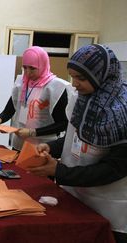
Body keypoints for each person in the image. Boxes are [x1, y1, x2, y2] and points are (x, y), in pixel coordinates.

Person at [29, 44, 127, 243]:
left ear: (102, 75)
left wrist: (60, 172)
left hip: (108, 205)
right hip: (74, 194)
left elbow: (114, 169)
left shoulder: (122, 112)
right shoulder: (80, 99)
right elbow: (76, 135)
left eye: (81, 78)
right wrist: (53, 147)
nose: (74, 84)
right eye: (72, 76)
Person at [0, 46, 72, 150]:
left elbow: (63, 123)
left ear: (43, 65)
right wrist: (0, 120)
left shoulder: (54, 87)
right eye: (25, 67)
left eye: (32, 68)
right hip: (20, 143)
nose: (27, 72)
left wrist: (33, 132)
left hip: (43, 145)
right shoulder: (22, 83)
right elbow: (11, 107)